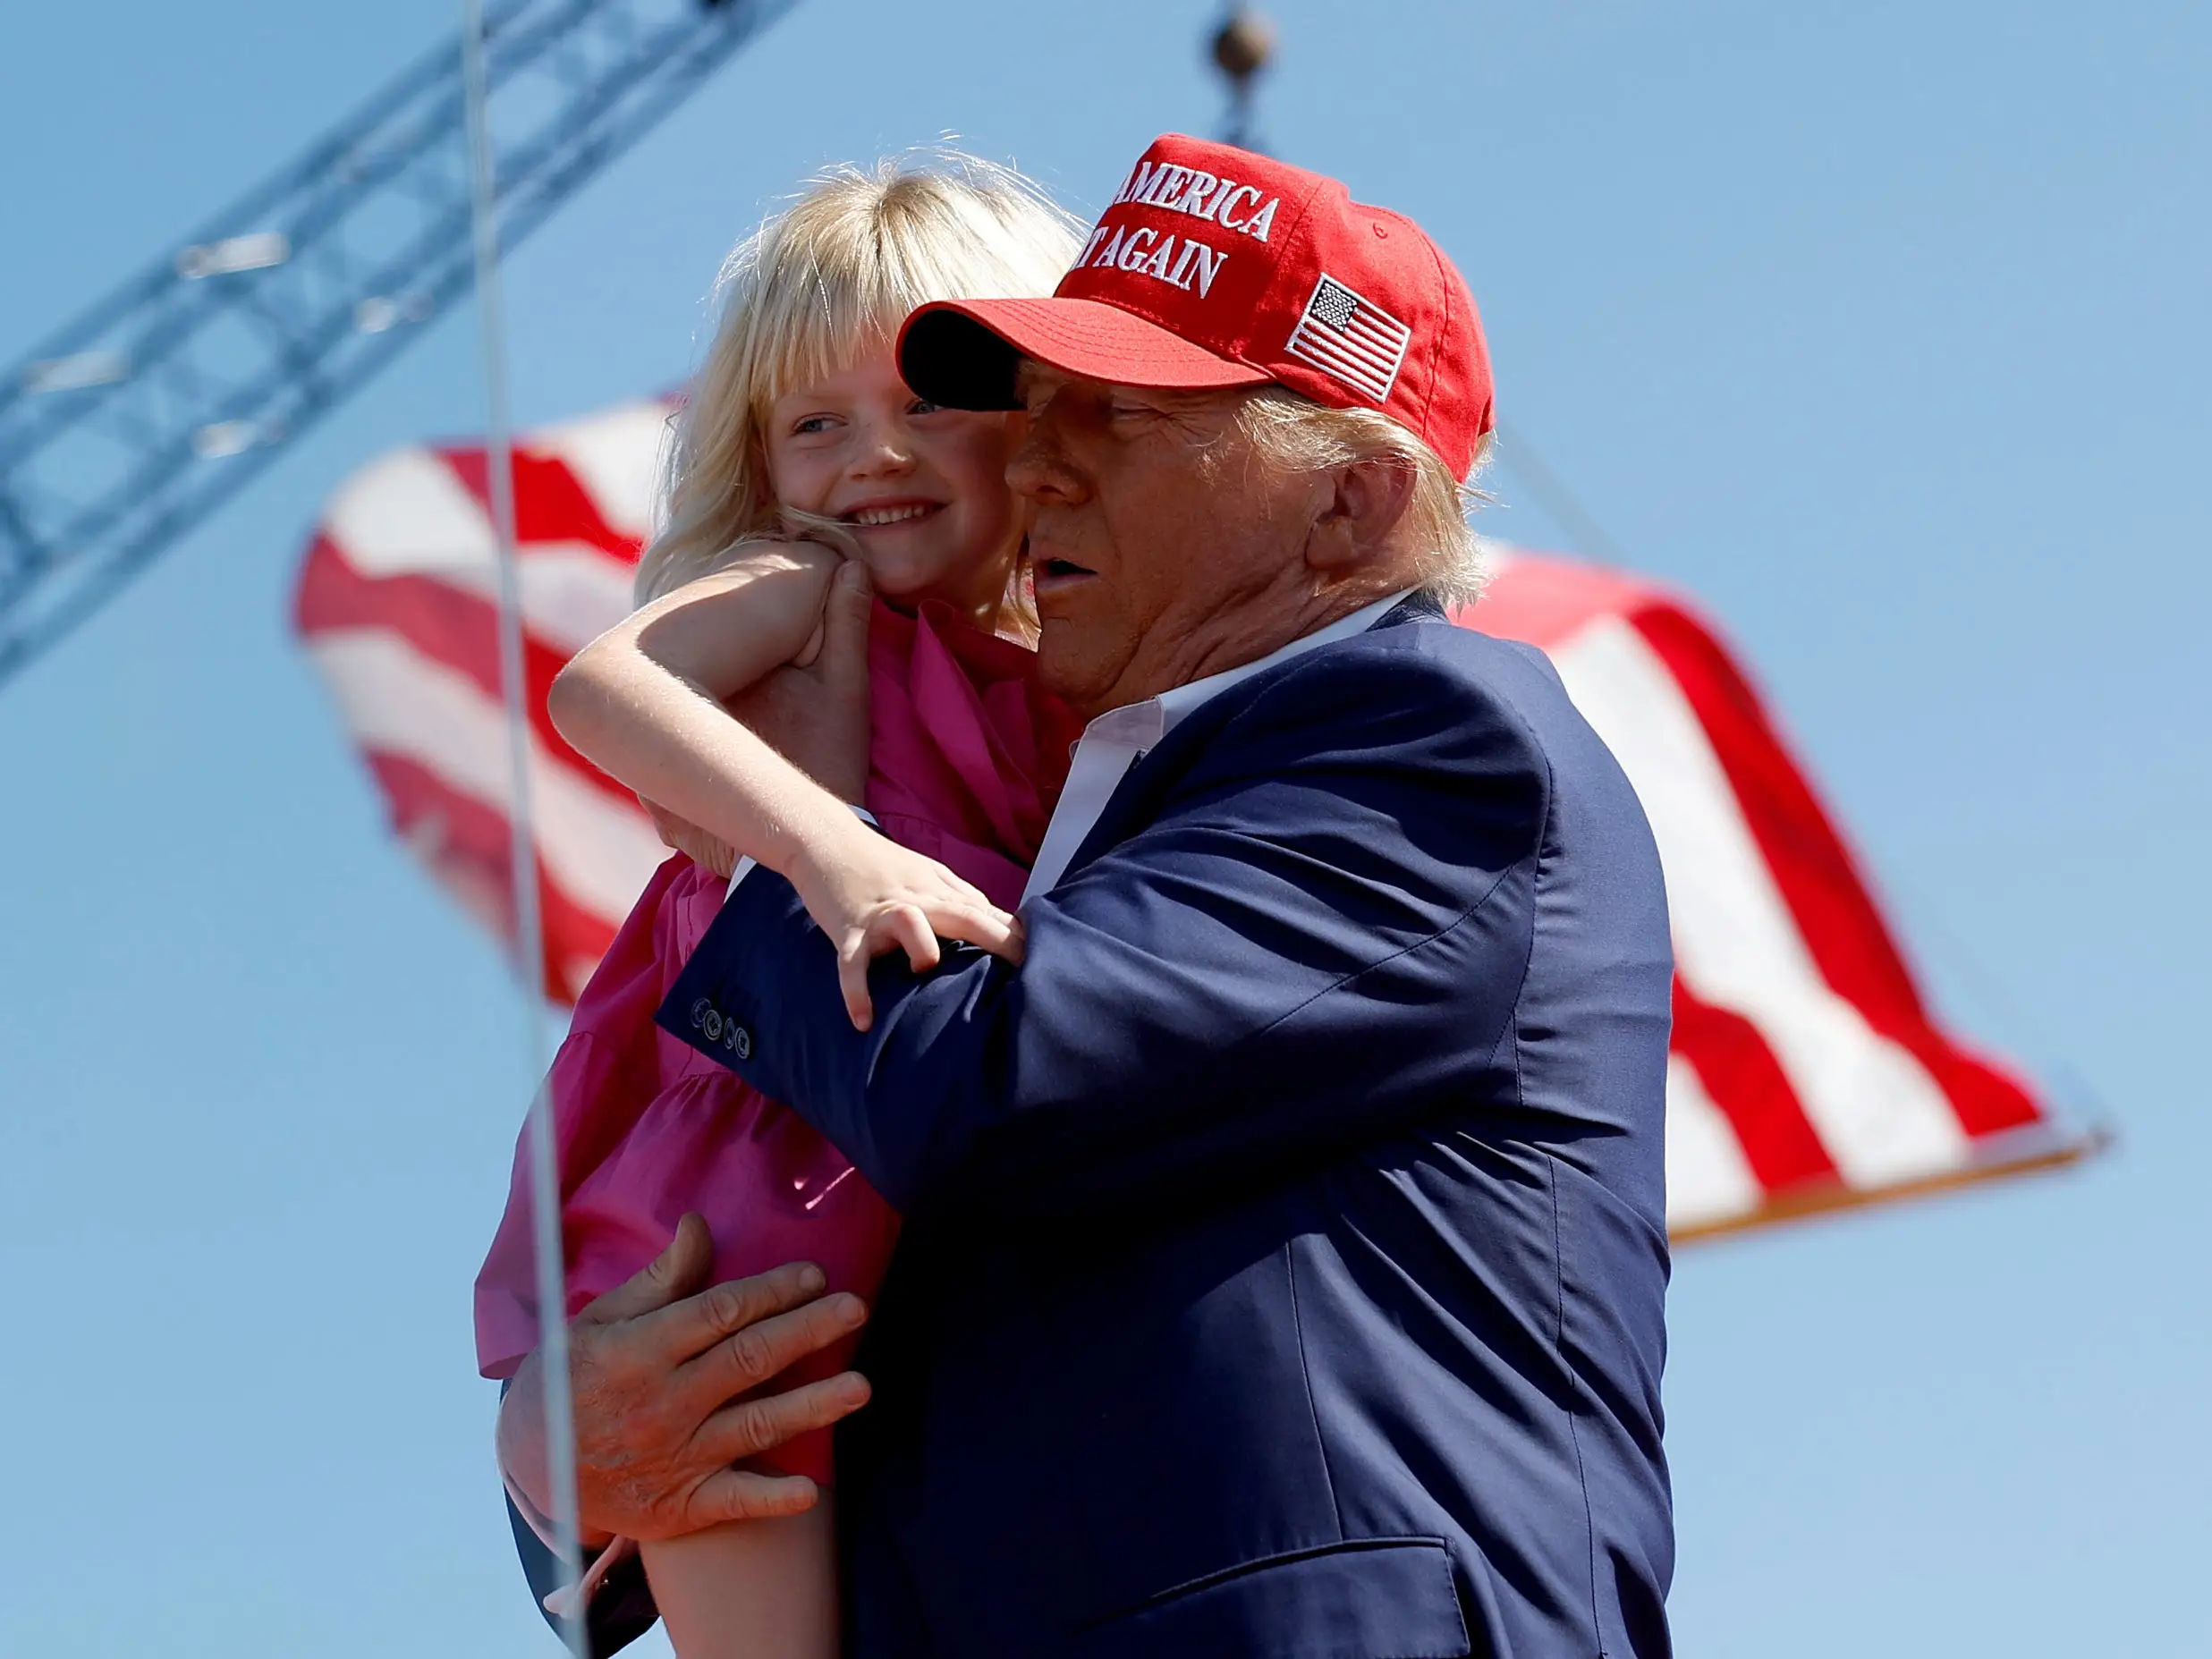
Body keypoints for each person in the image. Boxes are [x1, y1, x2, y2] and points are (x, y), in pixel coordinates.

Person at [511, 132, 1677, 1658]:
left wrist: (781, 835)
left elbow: (986, 1085)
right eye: (1035, 410)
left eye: (1116, 417)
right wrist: (559, 1442)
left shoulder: (1427, 734)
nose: (1036, 465)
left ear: (1350, 503)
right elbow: (812, 1262)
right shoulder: (1068, 791)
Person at [475, 151, 1082, 1659]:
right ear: (760, 458)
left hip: (921, 1167)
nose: (876, 456)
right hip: (761, 1147)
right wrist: (829, 846)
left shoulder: (1067, 685)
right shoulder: (803, 584)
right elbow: (604, 688)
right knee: (743, 1435)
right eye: (818, 423)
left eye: (930, 403)